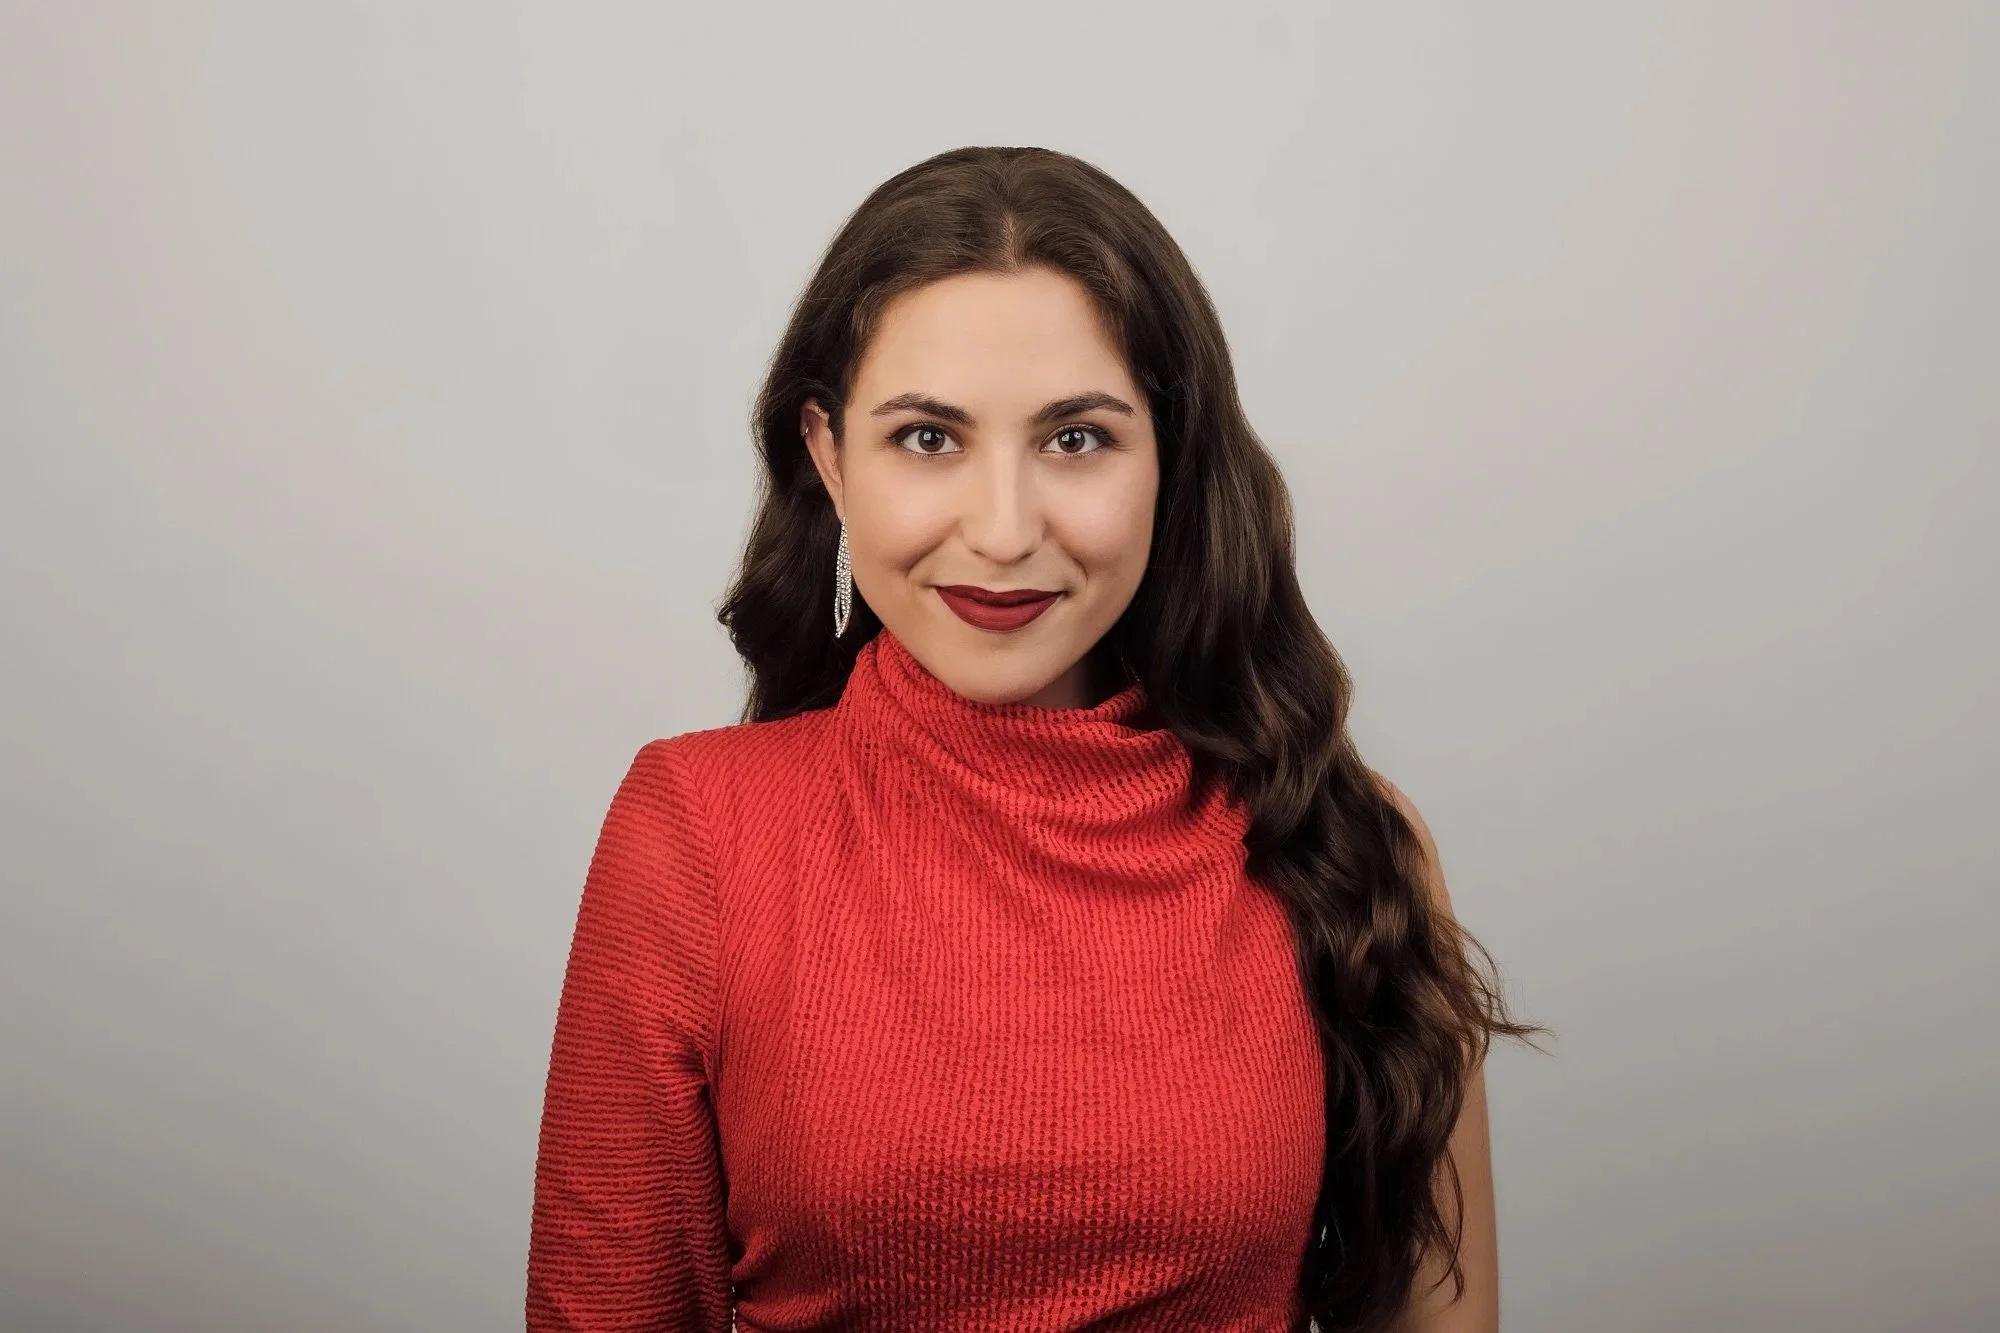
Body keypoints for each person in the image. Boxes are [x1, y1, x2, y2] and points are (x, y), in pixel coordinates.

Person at [526, 145, 1536, 1333]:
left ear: (1171, 457)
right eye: (925, 437)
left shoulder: (1345, 841)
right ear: (827, 457)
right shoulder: (695, 834)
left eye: (1074, 439)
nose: (1001, 532)